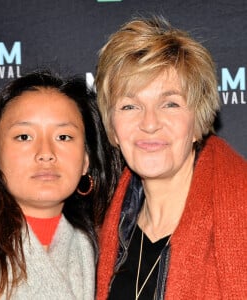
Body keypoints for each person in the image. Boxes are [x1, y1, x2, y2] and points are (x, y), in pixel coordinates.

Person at [95, 16, 247, 299]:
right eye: (130, 106)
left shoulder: (241, 211)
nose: (150, 123)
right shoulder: (108, 230)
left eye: (170, 104)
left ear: (197, 121)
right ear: (112, 128)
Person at [0, 69, 122, 299]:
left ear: (85, 161)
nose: (45, 153)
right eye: (24, 137)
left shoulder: (108, 255)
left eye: (63, 137)